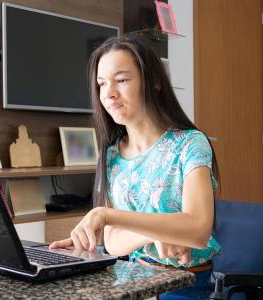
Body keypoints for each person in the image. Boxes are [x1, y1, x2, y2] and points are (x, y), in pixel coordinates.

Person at [50, 34, 221, 299]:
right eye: (102, 83)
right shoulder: (112, 154)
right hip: (134, 279)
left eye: (121, 80)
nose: (109, 94)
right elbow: (114, 243)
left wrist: (109, 216)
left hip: (187, 285)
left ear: (153, 81)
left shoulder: (190, 144)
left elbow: (197, 230)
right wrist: (155, 233)